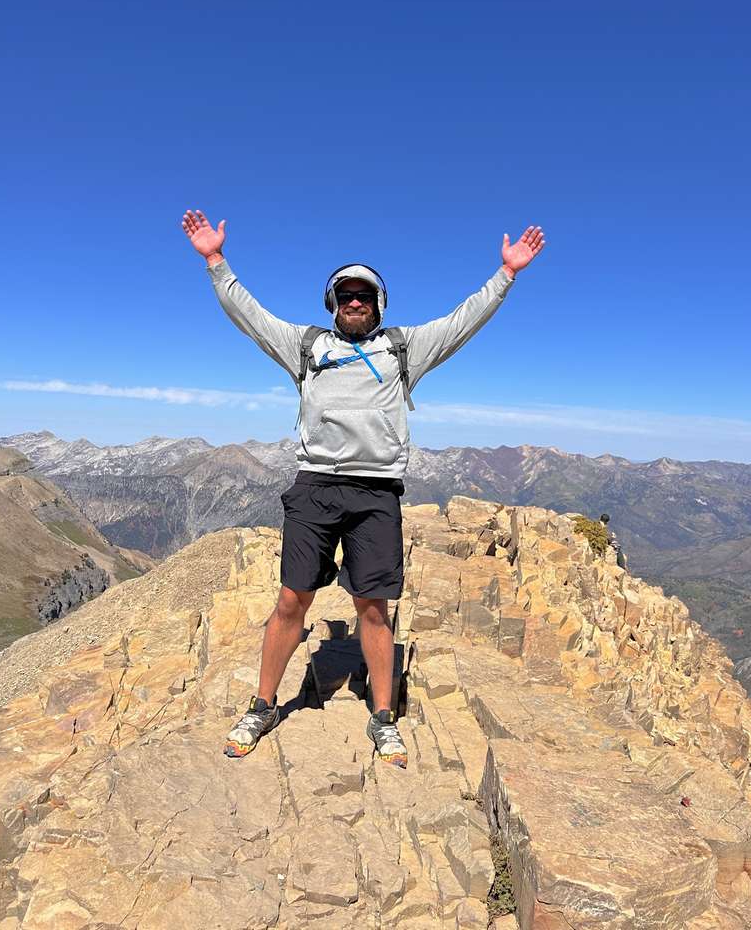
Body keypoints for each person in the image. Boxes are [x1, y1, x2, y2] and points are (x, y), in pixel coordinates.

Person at [181, 209, 546, 767]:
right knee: (290, 601)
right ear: (333, 304)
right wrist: (214, 261)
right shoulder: (306, 347)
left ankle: (382, 718)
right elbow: (249, 316)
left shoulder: (403, 349)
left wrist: (506, 275)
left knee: (372, 608)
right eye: (345, 295)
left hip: (377, 494)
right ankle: (261, 705)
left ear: (379, 304)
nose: (355, 302)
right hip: (316, 487)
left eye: (365, 295)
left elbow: (460, 322)